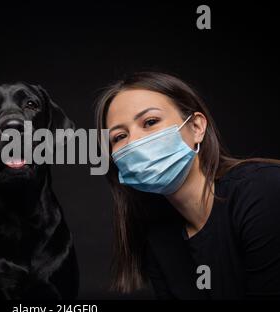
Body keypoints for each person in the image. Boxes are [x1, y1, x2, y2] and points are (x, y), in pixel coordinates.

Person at [94, 71, 280, 299]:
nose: (134, 142)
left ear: (196, 127)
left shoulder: (263, 192)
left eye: (150, 122)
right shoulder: (158, 238)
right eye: (119, 137)